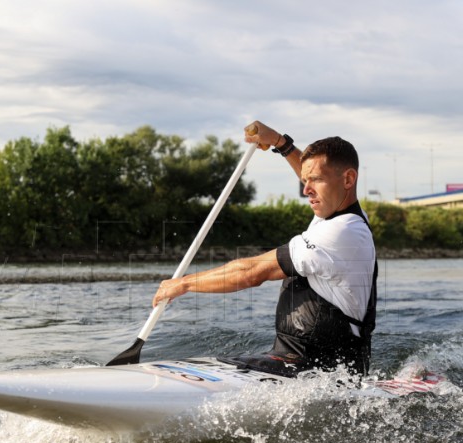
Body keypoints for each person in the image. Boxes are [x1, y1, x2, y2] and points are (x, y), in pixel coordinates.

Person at [152, 121, 377, 377]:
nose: (306, 190)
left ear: (348, 179)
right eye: (305, 180)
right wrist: (282, 144)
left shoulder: (341, 233)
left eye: (315, 180)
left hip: (321, 373)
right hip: (299, 362)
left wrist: (182, 284)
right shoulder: (344, 216)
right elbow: (320, 179)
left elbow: (252, 272)